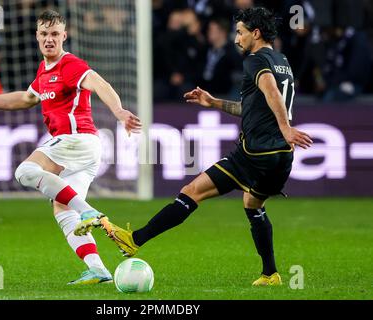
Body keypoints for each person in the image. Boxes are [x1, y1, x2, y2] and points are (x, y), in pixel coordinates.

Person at [76, 7, 313, 286]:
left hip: (255, 154)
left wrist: (285, 129)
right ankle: (270, 274)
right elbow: (254, 108)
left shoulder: (255, 60)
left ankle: (134, 240)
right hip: (282, 157)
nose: (236, 39)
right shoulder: (281, 59)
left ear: (256, 33)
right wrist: (213, 103)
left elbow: (271, 91)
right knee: (253, 204)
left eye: (240, 32)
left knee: (191, 192)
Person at [0, 10, 141, 285]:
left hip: (75, 140)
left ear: (64, 36)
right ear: (37, 37)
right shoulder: (44, 70)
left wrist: (119, 111)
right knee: (62, 209)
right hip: (85, 150)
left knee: (25, 171)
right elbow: (26, 98)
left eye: (55, 34)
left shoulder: (70, 65)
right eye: (44, 34)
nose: (49, 39)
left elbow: (100, 84)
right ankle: (98, 269)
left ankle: (88, 211)